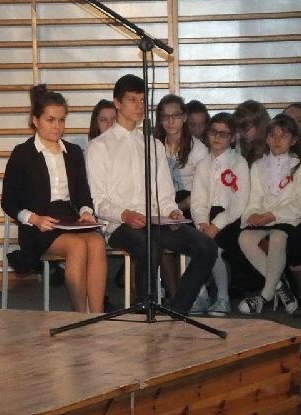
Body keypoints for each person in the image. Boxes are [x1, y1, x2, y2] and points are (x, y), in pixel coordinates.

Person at [86, 74, 217, 314]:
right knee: (149, 245)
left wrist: (173, 211)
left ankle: (179, 309)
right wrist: (125, 215)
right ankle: (144, 308)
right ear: (117, 103)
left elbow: (165, 194)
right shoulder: (99, 146)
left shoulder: (153, 145)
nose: (139, 106)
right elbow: (99, 201)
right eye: (132, 100)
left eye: (142, 100)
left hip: (156, 220)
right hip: (119, 224)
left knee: (206, 246)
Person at [2, 85, 107, 313]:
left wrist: (86, 212)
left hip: (68, 219)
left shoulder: (73, 152)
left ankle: (97, 314)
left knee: (97, 242)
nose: (57, 126)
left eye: (61, 120)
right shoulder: (22, 153)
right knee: (78, 246)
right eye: (50, 120)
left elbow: (83, 193)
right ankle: (79, 315)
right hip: (38, 225)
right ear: (35, 120)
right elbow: (9, 201)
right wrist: (35, 219)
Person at [236, 114, 301, 314]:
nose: (277, 140)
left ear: (293, 140)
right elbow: (254, 197)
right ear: (266, 139)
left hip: (288, 218)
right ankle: (280, 286)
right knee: (244, 238)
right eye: (272, 135)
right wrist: (254, 214)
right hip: (263, 216)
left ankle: (264, 295)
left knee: (278, 238)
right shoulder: (258, 166)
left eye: (283, 136)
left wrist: (272, 215)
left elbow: (298, 202)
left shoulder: (298, 166)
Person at [190, 113, 250, 315]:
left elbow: (239, 202)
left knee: (212, 250)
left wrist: (216, 225)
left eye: (223, 134)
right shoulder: (202, 164)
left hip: (229, 218)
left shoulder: (238, 163)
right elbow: (198, 200)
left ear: (232, 138)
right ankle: (201, 296)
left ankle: (223, 298)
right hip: (206, 218)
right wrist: (201, 222)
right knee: (190, 246)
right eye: (214, 132)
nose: (217, 137)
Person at [153, 94, 209, 307]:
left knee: (188, 236)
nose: (170, 121)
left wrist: (180, 206)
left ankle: (195, 293)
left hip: (191, 201)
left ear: (184, 117)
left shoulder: (198, 149)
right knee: (157, 237)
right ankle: (175, 293)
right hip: (162, 201)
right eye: (165, 116)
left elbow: (204, 189)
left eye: (175, 116)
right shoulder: (154, 146)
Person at [233, 99, 270, 167]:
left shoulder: (271, 149)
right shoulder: (238, 145)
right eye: (239, 129)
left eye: (246, 129)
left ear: (260, 126)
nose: (242, 134)